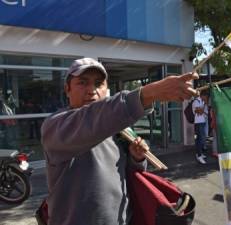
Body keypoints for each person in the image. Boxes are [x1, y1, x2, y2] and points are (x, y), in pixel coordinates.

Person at [41, 58, 198, 225]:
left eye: (99, 83)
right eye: (82, 82)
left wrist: (136, 158)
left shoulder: (115, 126)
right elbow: (92, 120)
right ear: (67, 89)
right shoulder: (55, 127)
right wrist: (149, 93)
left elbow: (126, 175)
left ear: (106, 89)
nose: (92, 90)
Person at [192, 91, 209, 164]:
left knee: (202, 138)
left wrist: (202, 109)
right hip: (198, 123)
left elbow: (204, 112)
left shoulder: (202, 102)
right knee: (200, 139)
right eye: (206, 97)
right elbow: (200, 111)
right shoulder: (196, 101)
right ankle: (199, 156)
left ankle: (200, 153)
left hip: (202, 122)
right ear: (203, 95)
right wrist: (203, 107)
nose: (207, 98)